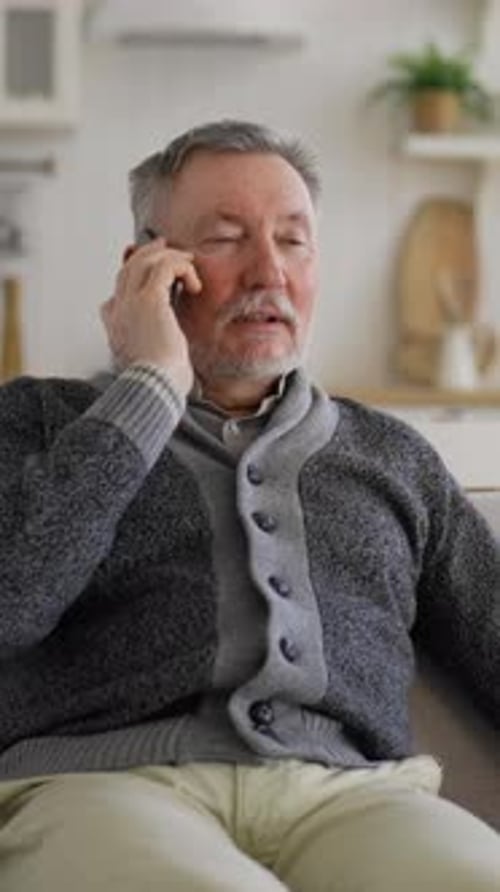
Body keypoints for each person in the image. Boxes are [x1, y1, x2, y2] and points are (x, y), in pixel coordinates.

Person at [0, 119, 498, 892]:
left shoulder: (392, 458)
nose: (270, 271)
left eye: (294, 241)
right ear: (147, 270)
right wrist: (148, 388)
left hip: (354, 798)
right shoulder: (39, 422)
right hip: (104, 790)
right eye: (227, 238)